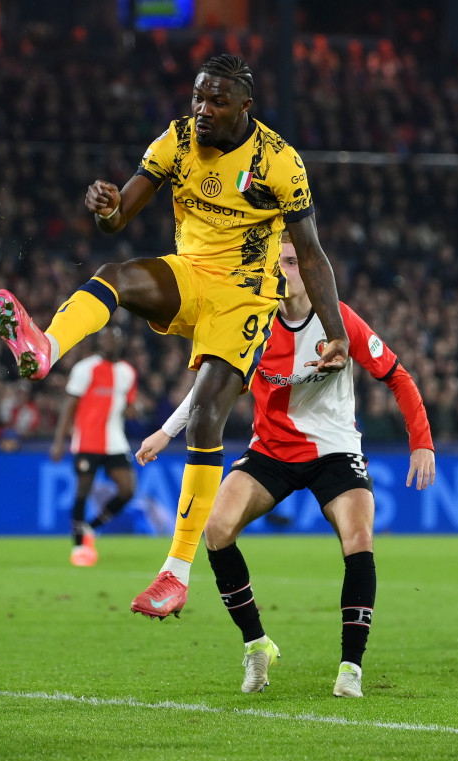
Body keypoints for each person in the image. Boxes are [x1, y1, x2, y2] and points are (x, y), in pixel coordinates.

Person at [0, 53, 349, 615]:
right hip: (191, 274)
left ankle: (174, 574)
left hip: (246, 297)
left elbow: (312, 255)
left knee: (206, 415)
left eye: (217, 101)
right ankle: (46, 347)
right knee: (116, 275)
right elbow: (120, 217)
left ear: (244, 107)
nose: (203, 110)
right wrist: (107, 208)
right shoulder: (176, 141)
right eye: (197, 99)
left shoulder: (279, 162)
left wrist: (336, 335)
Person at [136, 231, 436, 696]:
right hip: (270, 451)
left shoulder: (340, 323)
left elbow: (398, 377)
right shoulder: (251, 326)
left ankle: (350, 668)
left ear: (314, 269)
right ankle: (257, 646)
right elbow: (209, 389)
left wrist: (422, 442)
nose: (285, 272)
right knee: (215, 530)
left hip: (335, 450)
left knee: (359, 539)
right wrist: (166, 431)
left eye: (294, 262)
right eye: (278, 263)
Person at [49, 327, 139, 567]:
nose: (110, 342)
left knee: (128, 490)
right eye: (106, 338)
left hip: (115, 441)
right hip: (87, 441)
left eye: (114, 338)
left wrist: (134, 411)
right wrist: (59, 440)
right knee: (82, 492)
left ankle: (91, 527)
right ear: (100, 342)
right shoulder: (84, 369)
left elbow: (128, 405)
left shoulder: (128, 372)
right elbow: (70, 406)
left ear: (121, 342)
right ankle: (79, 546)